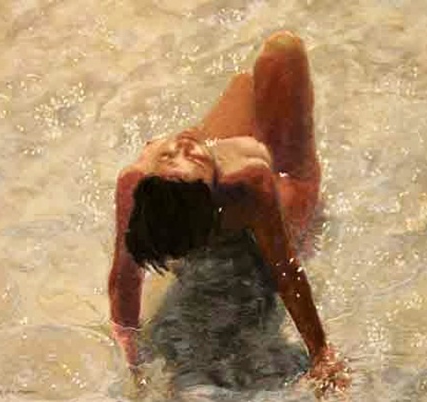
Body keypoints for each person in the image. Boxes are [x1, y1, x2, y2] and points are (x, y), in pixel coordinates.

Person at [108, 31, 348, 394]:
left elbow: (125, 274)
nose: (182, 145)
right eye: (181, 156)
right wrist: (320, 353)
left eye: (171, 153)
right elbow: (284, 270)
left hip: (203, 205)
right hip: (280, 187)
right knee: (284, 54)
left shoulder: (142, 177)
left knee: (245, 84)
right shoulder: (250, 181)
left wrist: (321, 351)